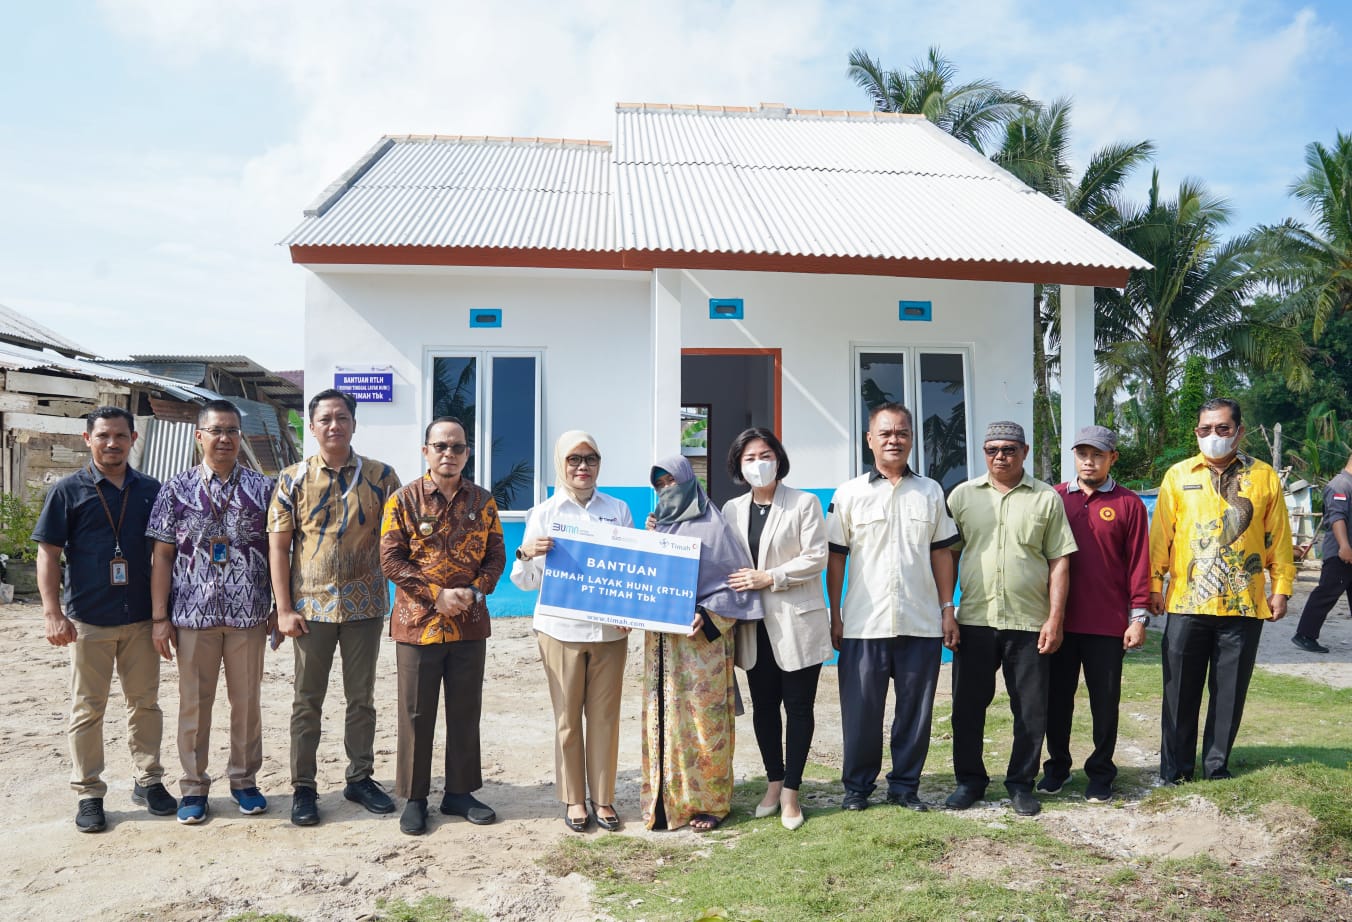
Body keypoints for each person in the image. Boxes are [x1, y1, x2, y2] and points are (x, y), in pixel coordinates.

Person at [33, 406, 176, 832]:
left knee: (145, 704)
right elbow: (48, 555)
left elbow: (164, 555)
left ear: (134, 439)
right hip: (88, 621)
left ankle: (148, 780)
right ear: (87, 439)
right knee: (87, 709)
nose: (112, 444)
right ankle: (89, 792)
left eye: (120, 436)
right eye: (103, 436)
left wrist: (161, 617)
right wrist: (52, 613)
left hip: (140, 620)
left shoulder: (151, 490)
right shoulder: (67, 491)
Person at [268, 389, 403, 826]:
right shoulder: (292, 480)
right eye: (324, 418)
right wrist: (284, 608)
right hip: (311, 609)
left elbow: (398, 541)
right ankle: (303, 787)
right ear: (311, 426)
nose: (333, 425)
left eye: (341, 417)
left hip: (365, 605)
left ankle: (360, 777)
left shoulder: (382, 477)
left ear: (354, 424)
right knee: (307, 700)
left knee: (361, 699)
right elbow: (280, 546)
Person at [1149, 397, 1295, 783]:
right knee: (1179, 691)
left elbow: (1279, 538)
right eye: (1205, 429)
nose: (1213, 436)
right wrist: (1152, 585)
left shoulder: (1264, 477)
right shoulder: (1178, 476)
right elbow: (1161, 537)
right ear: (1196, 432)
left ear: (1239, 431)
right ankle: (1175, 769)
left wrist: (1281, 587)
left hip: (1244, 604)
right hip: (1186, 601)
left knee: (1229, 693)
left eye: (1222, 429)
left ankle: (1216, 766)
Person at [146, 399, 276, 824]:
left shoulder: (263, 489)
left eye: (233, 431)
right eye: (217, 430)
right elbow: (162, 556)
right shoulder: (176, 489)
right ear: (199, 435)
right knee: (193, 705)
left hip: (248, 615)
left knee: (247, 703)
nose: (225, 438)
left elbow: (281, 551)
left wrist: (279, 605)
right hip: (192, 616)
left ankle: (244, 781)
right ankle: (194, 787)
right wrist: (160, 618)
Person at [824, 405, 958, 816]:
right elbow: (835, 559)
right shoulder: (848, 494)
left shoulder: (931, 492)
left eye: (901, 432)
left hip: (921, 622)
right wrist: (835, 614)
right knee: (862, 711)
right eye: (884, 433)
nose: (893, 439)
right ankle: (857, 788)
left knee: (915, 711)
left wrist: (947, 608)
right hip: (865, 622)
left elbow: (942, 555)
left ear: (911, 438)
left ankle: (904, 786)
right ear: (870, 440)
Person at [380, 415, 506, 835]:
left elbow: (495, 557)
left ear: (467, 453)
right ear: (426, 451)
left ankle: (459, 792)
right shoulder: (403, 500)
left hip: (469, 623)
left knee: (465, 711)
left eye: (457, 447)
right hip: (418, 626)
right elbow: (390, 559)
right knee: (416, 713)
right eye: (440, 446)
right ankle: (415, 799)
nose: (448, 454)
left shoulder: (483, 503)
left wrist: (472, 591)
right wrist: (436, 595)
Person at [945, 421, 1077, 817]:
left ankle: (1021, 784)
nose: (1000, 455)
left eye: (1008, 448)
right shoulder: (963, 497)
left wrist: (1055, 618)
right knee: (967, 707)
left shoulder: (1045, 499)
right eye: (991, 449)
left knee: (1031, 709)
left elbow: (1059, 561)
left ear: (1025, 450)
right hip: (974, 619)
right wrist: (946, 611)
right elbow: (948, 556)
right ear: (983, 453)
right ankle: (969, 781)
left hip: (1029, 623)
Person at [511, 431, 632, 833]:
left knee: (605, 718)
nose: (583, 467)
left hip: (610, 633)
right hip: (560, 630)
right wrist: (527, 554)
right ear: (560, 464)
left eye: (591, 459)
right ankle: (574, 799)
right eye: (574, 460)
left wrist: (630, 610)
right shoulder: (544, 513)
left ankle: (604, 797)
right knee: (567, 718)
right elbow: (525, 581)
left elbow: (631, 570)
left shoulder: (618, 511)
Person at [643, 455, 763, 832]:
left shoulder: (716, 528)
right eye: (659, 485)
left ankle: (709, 804)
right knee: (663, 720)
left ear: (689, 483)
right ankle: (665, 802)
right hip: (661, 647)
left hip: (702, 646)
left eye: (671, 482)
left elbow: (736, 583)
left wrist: (709, 615)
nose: (666, 490)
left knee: (703, 722)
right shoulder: (657, 528)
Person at [724, 427, 832, 830]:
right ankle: (773, 781)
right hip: (753, 628)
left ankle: (792, 793)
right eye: (749, 458)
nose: (758, 464)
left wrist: (770, 577)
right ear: (738, 464)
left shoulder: (803, 503)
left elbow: (815, 557)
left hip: (796, 621)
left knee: (799, 707)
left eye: (765, 455)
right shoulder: (732, 510)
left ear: (779, 458)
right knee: (764, 708)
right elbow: (716, 554)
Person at [1038, 425, 1150, 804]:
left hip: (1107, 625)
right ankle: (1056, 767)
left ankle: (1101, 772)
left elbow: (1139, 563)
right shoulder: (1054, 499)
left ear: (1112, 458)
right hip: (1060, 624)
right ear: (1073, 456)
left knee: (1105, 702)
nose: (1089, 460)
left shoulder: (1129, 504)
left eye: (1098, 454)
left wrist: (1138, 617)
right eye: (1083, 453)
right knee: (1056, 700)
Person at [1291, 451, 1352, 654]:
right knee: (1326, 593)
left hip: (1348, 552)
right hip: (1340, 553)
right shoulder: (1340, 485)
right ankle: (1305, 635)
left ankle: (1306, 634)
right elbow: (1337, 518)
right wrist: (1344, 546)